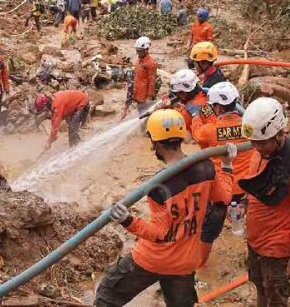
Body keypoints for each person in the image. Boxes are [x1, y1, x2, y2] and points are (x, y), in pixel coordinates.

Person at [94, 108, 235, 307]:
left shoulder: (159, 186)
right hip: (185, 262)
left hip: (153, 259)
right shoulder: (207, 167)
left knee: (108, 293)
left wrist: (128, 220)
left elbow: (159, 232)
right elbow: (224, 197)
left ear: (156, 143)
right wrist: (227, 166)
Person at [239, 97, 290, 307]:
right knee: (260, 287)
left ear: (280, 133)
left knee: (276, 299)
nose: (257, 147)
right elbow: (257, 183)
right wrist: (245, 203)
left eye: (262, 143)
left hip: (278, 251)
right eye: (254, 143)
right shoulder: (260, 151)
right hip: (256, 242)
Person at [191, 82, 254, 265]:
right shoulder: (248, 126)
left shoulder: (210, 131)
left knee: (208, 231)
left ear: (217, 106)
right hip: (245, 187)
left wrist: (196, 115)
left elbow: (197, 135)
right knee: (247, 222)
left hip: (221, 189)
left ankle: (200, 265)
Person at [120, 37, 157, 120]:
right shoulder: (139, 61)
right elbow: (135, 78)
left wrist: (149, 97)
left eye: (139, 51)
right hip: (137, 93)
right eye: (137, 50)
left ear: (146, 50)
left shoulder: (150, 63)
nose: (137, 53)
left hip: (144, 96)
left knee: (145, 116)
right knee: (141, 113)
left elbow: (152, 81)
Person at [162, 69, 209, 134]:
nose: (177, 96)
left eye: (177, 93)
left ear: (184, 93)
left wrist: (167, 108)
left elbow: (171, 124)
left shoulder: (190, 108)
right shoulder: (206, 95)